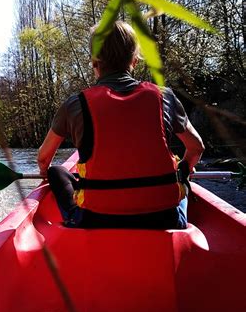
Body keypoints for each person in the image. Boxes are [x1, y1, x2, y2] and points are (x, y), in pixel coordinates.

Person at [37, 20, 205, 229]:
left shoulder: (75, 105)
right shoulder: (165, 97)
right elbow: (197, 148)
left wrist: (45, 172)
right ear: (134, 61)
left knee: (56, 172)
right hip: (165, 218)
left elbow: (44, 158)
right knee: (181, 172)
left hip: (94, 218)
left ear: (94, 62)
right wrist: (184, 169)